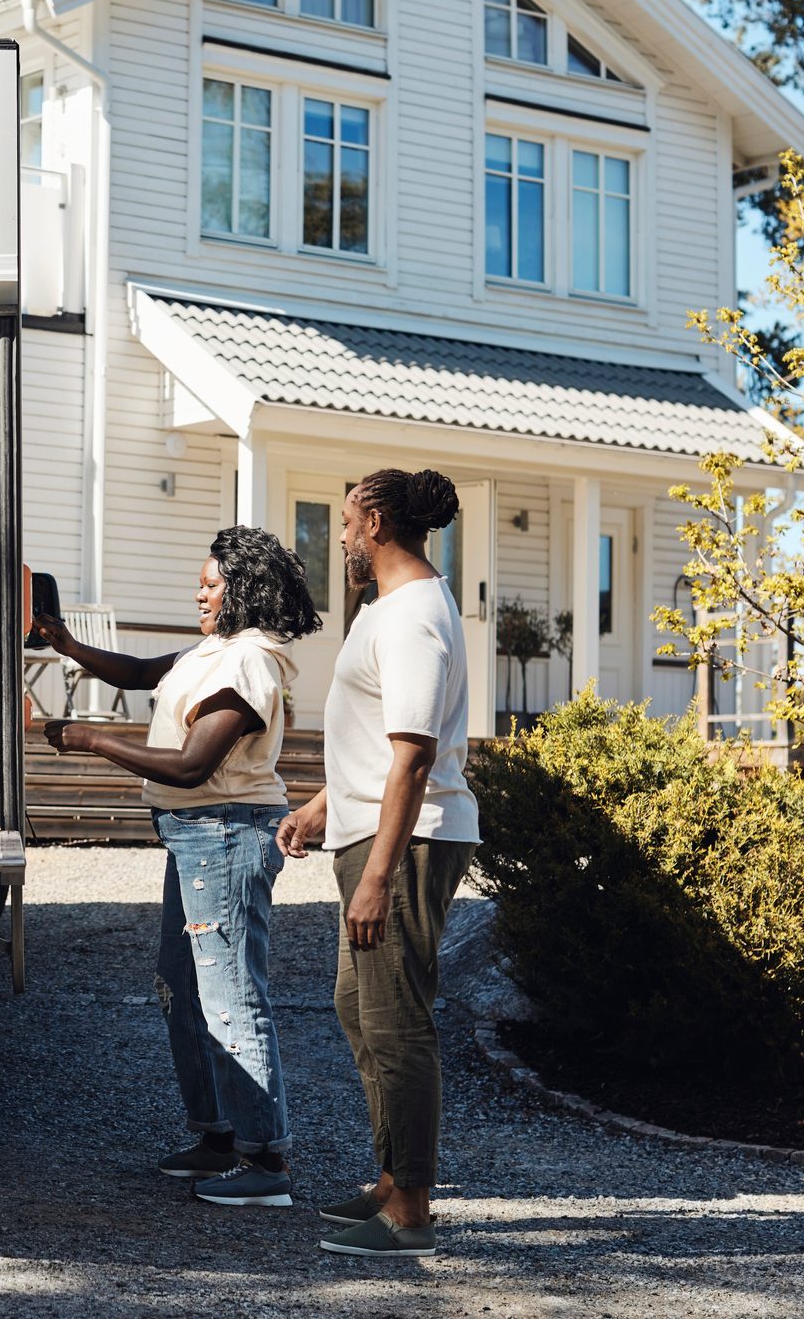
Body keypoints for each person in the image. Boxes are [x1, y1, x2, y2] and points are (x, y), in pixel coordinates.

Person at [36, 525, 321, 1207]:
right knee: (182, 989)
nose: (199, 591)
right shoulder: (213, 651)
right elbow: (140, 674)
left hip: (225, 834)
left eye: (212, 583)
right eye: (200, 581)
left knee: (229, 997)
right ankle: (216, 1135)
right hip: (195, 837)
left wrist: (91, 738)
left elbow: (194, 766)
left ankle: (265, 1161)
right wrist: (69, 647)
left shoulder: (249, 663)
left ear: (244, 592)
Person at [277, 469, 481, 1260]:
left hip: (407, 838)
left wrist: (373, 876)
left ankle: (412, 1211)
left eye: (342, 522)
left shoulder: (414, 618)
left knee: (396, 1020)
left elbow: (414, 756)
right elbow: (374, 738)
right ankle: (393, 1178)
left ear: (375, 523)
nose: (336, 537)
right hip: (371, 828)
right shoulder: (385, 609)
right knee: (355, 1005)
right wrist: (319, 806)